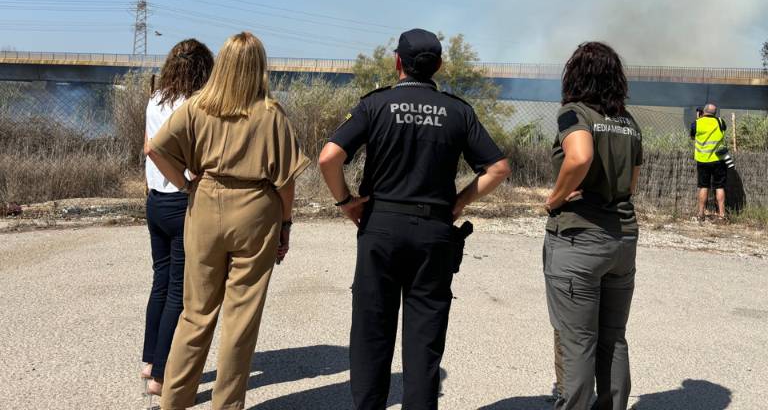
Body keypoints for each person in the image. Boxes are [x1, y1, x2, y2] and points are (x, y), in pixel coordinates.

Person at [319, 28, 511, 410]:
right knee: (425, 338)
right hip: (434, 232)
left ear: (397, 63)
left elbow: (329, 157)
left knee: (372, 330)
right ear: (438, 66)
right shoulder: (459, 111)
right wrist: (457, 204)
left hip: (381, 226)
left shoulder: (375, 105)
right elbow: (498, 168)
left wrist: (345, 202)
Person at [145, 32, 310, 410]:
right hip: (255, 210)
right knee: (241, 319)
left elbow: (155, 149)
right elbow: (286, 182)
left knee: (195, 312)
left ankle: (174, 401)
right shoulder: (271, 114)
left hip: (205, 206)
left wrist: (186, 183)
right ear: (259, 68)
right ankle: (227, 406)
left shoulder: (198, 106)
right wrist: (285, 226)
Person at [544, 42, 642, 410]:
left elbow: (580, 156)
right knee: (613, 338)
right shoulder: (629, 123)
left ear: (575, 74)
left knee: (577, 340)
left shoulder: (574, 113)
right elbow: (631, 185)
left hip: (580, 237)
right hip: (623, 239)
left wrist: (554, 199)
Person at [141, 39, 214, 397]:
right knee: (178, 293)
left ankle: (148, 359)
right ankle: (161, 374)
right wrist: (185, 183)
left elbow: (148, 145)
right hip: (177, 202)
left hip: (153, 201)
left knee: (160, 282)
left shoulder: (156, 98)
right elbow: (155, 150)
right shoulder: (194, 104)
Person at [690, 103, 727, 220]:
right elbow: (723, 130)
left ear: (703, 112)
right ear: (715, 113)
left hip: (703, 160)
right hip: (718, 160)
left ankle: (701, 214)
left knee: (703, 186)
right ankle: (722, 215)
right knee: (719, 186)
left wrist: (698, 118)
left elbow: (692, 136)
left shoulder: (697, 123)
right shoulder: (721, 122)